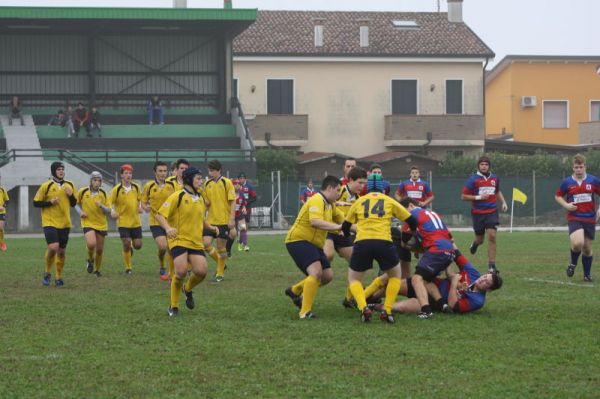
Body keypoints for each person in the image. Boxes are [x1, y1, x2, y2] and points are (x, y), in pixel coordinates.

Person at [341, 173, 416, 323]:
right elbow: (411, 220)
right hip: (384, 242)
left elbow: (346, 225)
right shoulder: (389, 200)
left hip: (363, 243)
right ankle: (387, 310)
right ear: (384, 189)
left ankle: (363, 308)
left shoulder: (359, 201)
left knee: (354, 279)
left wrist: (345, 235)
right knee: (395, 276)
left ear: (366, 188)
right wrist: (409, 235)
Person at [156, 167, 218, 317]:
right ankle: (174, 306)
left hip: (195, 241)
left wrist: (211, 227)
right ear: (189, 179)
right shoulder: (177, 196)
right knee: (182, 271)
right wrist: (168, 228)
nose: (201, 181)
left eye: (201, 178)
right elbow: (159, 215)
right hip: (179, 240)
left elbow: (201, 219)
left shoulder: (201, 198)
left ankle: (187, 289)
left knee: (201, 272)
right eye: (198, 178)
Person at [284, 176, 344, 319]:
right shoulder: (317, 199)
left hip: (314, 244)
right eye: (337, 190)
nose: (339, 194)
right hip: (298, 240)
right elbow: (315, 221)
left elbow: (344, 221)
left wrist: (361, 228)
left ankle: (295, 290)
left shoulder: (331, 204)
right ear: (329, 188)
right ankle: (305, 312)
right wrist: (338, 227)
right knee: (316, 273)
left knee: (327, 276)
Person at [376, 252, 503, 315]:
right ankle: (369, 297)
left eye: (487, 282)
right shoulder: (473, 272)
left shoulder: (477, 301)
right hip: (429, 284)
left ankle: (372, 306)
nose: (483, 279)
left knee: (398, 307)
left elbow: (453, 306)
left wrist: (453, 283)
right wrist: (448, 241)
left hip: (435, 302)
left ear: (489, 290)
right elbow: (457, 254)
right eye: (485, 276)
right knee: (394, 286)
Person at [400, 197, 460, 319]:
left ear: (410, 205)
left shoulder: (412, 215)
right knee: (426, 280)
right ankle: (442, 305)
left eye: (403, 210)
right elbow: (450, 237)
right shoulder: (433, 213)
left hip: (436, 250)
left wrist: (414, 246)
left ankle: (426, 310)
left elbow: (404, 241)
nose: (403, 215)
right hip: (449, 250)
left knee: (416, 279)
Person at [555, 154, 600, 282]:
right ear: (572, 168)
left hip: (590, 218)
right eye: (576, 167)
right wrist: (566, 205)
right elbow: (558, 196)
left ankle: (587, 275)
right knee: (577, 243)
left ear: (585, 167)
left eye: (581, 167)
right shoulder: (567, 182)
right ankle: (573, 263)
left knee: (587, 248)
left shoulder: (593, 180)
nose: (579, 169)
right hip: (574, 217)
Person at [461, 156, 508, 274]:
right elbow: (463, 196)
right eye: (482, 164)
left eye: (486, 164)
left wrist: (503, 202)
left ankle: (492, 266)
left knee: (492, 236)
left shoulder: (495, 178)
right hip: (478, 213)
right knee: (480, 239)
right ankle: (475, 244)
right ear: (478, 166)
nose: (484, 166)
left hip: (492, 211)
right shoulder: (473, 179)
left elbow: (497, 191)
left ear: (489, 166)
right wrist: (479, 197)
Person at [33, 162, 77, 287]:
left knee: (61, 252)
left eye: (63, 169)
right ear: (53, 171)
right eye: (58, 169)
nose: (61, 171)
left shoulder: (70, 185)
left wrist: (71, 195)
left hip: (65, 223)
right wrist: (49, 202)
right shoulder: (46, 186)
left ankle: (58, 277)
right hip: (49, 222)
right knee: (53, 247)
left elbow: (74, 203)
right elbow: (35, 203)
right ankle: (47, 273)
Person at [202, 160, 236, 282]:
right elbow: (206, 203)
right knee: (205, 244)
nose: (211, 173)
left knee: (221, 247)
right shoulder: (207, 184)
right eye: (209, 171)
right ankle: (222, 263)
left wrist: (232, 218)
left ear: (219, 170)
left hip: (223, 221)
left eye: (213, 171)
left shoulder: (227, 183)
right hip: (210, 221)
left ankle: (220, 272)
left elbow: (232, 201)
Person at [142, 161, 176, 281]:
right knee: (162, 247)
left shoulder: (172, 185)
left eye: (164, 171)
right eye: (160, 171)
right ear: (155, 172)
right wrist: (145, 207)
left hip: (170, 222)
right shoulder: (149, 186)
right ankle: (162, 264)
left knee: (171, 248)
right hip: (156, 221)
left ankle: (172, 274)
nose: (163, 173)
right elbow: (143, 202)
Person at [109, 164, 143, 274]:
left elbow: (140, 199)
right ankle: (128, 268)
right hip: (123, 222)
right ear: (121, 175)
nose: (128, 175)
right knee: (126, 242)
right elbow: (109, 202)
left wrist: (140, 207)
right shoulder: (116, 189)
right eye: (126, 173)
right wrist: (112, 211)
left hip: (135, 222)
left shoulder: (136, 187)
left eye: (130, 173)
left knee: (138, 245)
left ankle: (131, 247)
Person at [76, 171, 110, 277]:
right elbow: (75, 204)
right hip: (88, 222)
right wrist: (80, 212)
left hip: (101, 224)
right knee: (91, 244)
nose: (97, 182)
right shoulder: (82, 191)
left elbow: (108, 210)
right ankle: (90, 259)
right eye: (95, 180)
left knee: (99, 250)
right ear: (91, 181)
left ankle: (97, 270)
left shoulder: (103, 194)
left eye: (99, 181)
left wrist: (101, 206)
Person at [237, 172, 257, 251]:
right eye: (240, 178)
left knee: (245, 228)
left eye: (243, 178)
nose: (241, 180)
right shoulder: (236, 186)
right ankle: (245, 245)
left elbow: (255, 197)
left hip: (247, 210)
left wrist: (246, 201)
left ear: (245, 179)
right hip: (239, 210)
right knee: (243, 227)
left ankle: (240, 242)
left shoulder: (249, 186)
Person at [0, 173, 9, 252]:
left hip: (1, 212)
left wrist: (3, 206)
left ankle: (2, 243)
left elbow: (7, 201)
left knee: (1, 228)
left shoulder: (2, 189)